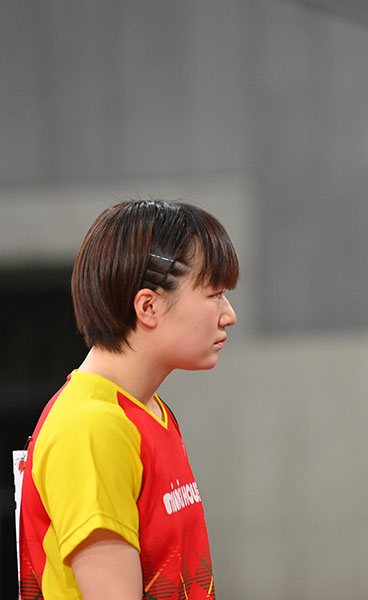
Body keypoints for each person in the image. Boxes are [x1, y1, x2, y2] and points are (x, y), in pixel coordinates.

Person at [18, 199, 239, 599]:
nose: (229, 314)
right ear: (148, 306)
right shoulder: (91, 426)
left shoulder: (152, 413)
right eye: (215, 294)